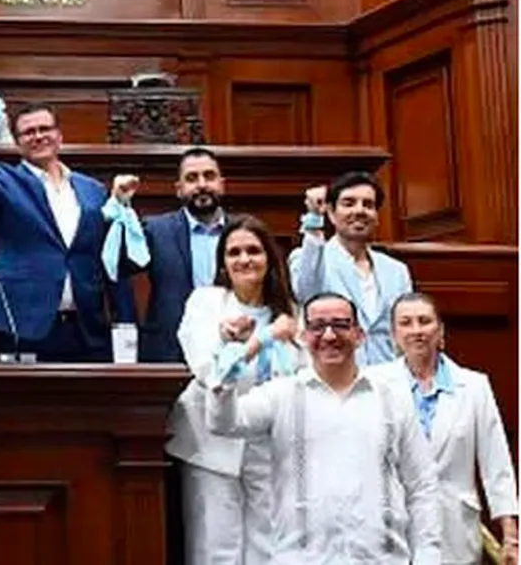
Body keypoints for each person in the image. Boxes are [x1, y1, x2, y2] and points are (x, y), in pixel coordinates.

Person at [207, 292, 442, 564]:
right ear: (302, 337)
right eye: (318, 326)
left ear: (359, 335)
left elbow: (422, 485)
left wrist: (428, 556)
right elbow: (223, 423)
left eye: (340, 325)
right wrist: (231, 360)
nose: (329, 335)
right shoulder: (281, 395)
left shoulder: (393, 399)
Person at [168, 216, 303, 565]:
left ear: (269, 259)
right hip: (211, 443)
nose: (244, 259)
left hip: (271, 444)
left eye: (254, 251)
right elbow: (207, 370)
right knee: (215, 546)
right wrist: (255, 340)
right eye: (234, 252)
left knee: (269, 545)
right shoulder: (206, 302)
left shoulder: (291, 313)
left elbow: (303, 379)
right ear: (223, 263)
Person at [0, 101, 135, 362]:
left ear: (59, 135)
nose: (38, 136)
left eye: (45, 129)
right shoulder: (3, 181)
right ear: (18, 142)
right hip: (25, 325)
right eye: (28, 132)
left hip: (85, 326)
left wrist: (125, 325)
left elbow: (109, 257)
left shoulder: (93, 190)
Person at [369, 293, 518, 564]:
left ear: (440, 330)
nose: (416, 330)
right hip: (392, 531)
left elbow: (496, 463)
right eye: (406, 322)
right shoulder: (373, 384)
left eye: (424, 321)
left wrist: (510, 536)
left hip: (455, 529)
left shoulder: (474, 386)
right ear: (394, 334)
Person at [106, 147, 230, 363]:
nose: (202, 184)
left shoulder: (243, 232)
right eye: (192, 178)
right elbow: (117, 264)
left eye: (209, 176)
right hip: (170, 353)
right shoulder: (157, 231)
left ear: (222, 184)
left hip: (233, 349)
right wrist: (120, 206)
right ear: (179, 190)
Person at [289, 172, 412, 365]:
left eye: (368, 205)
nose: (359, 210)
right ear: (331, 213)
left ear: (377, 216)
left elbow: (405, 328)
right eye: (349, 203)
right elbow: (304, 291)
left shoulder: (397, 271)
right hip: (333, 372)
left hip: (386, 374)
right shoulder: (312, 257)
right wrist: (314, 218)